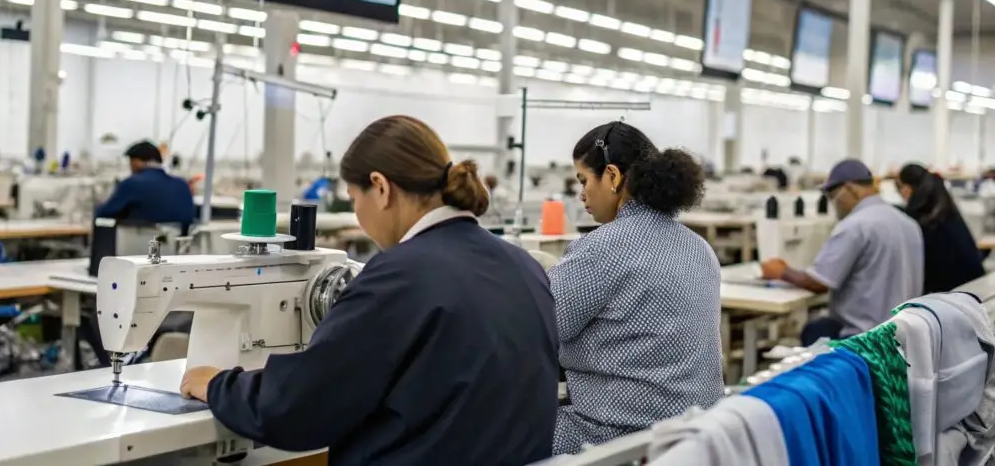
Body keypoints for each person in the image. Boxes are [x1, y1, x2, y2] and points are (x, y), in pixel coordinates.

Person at [180, 115, 559, 466]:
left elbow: (298, 408)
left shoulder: (400, 276)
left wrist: (218, 383)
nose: (358, 216)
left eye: (354, 198)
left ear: (380, 187)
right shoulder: (523, 265)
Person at [549, 121, 723, 454]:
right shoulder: (699, 247)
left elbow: (536, 328)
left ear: (612, 176)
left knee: (495, 432)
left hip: (619, 442)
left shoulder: (601, 248)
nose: (582, 195)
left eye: (584, 181)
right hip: (694, 438)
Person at [762, 158, 924, 345]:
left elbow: (819, 282)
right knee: (819, 326)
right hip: (902, 340)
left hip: (862, 340)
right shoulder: (908, 224)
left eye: (833, 195)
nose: (834, 203)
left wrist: (781, 271)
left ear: (850, 189)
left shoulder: (855, 225)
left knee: (815, 332)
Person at [896, 163, 984, 293]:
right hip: (972, 288)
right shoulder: (945, 209)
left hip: (951, 293)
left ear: (907, 189)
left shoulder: (918, 219)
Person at [95, 140, 194, 233]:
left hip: (143, 242)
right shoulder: (182, 185)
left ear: (136, 162)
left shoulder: (131, 183)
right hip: (176, 243)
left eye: (130, 162)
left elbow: (105, 213)